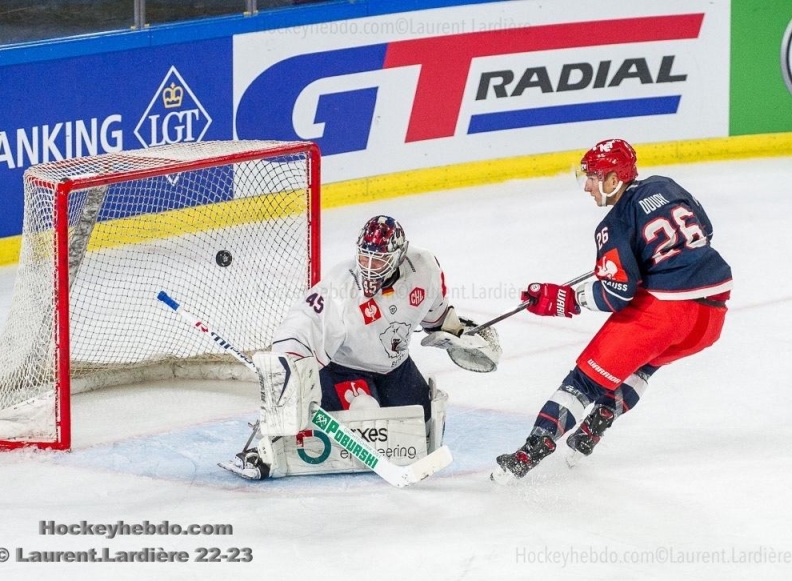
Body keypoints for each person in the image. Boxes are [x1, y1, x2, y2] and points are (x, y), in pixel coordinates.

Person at [492, 138, 733, 483]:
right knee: (644, 365)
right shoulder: (666, 185)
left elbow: (616, 294)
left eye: (594, 177)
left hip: (665, 313)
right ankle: (591, 431)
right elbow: (705, 230)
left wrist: (566, 300)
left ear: (614, 179)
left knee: (582, 383)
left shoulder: (613, 224)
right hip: (712, 314)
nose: (588, 186)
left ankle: (528, 454)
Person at [223, 215, 500, 480]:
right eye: (364, 256)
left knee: (421, 426)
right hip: (344, 370)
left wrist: (457, 332)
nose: (368, 266)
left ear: (398, 257)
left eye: (378, 261)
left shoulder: (425, 267)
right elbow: (302, 324)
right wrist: (287, 367)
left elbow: (436, 317)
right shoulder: (341, 287)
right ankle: (271, 443)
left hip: (395, 367)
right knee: (366, 416)